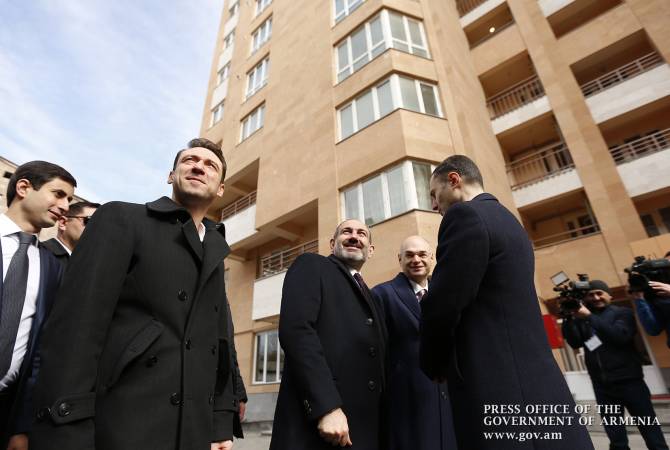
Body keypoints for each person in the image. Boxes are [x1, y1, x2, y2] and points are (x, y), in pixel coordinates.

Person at [32, 139, 238, 450]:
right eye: (190, 160)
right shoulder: (122, 219)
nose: (199, 166)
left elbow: (219, 340)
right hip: (123, 424)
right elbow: (75, 328)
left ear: (220, 189)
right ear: (171, 176)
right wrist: (66, 428)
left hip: (193, 430)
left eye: (211, 165)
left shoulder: (216, 250)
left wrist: (220, 422)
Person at [420, 155, 593, 450]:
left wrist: (433, 362)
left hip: (498, 384)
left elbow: (444, 303)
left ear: (453, 180)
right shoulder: (509, 221)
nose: (434, 206)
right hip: (533, 383)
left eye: (434, 195)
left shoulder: (465, 217)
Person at [270, 219, 387, 450]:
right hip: (319, 427)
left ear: (370, 250)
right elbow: (298, 332)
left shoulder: (372, 298)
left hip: (363, 430)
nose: (354, 236)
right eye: (347, 232)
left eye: (362, 234)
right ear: (332, 243)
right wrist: (326, 407)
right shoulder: (312, 265)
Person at [0, 161, 76, 450]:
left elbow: (40, 351)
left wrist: (21, 426)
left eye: (69, 199)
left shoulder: (51, 267)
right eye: (58, 194)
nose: (65, 205)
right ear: (23, 187)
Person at [371, 236, 457, 450]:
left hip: (448, 398)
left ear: (431, 258)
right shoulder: (382, 294)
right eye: (409, 255)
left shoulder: (445, 293)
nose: (416, 259)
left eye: (421, 254)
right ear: (399, 259)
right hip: (405, 400)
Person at [562, 280, 668, 450]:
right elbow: (575, 342)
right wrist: (568, 318)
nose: (596, 298)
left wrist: (589, 316)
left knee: (650, 429)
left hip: (630, 382)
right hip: (602, 386)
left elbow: (620, 336)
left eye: (599, 293)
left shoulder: (623, 313)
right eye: (591, 295)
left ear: (609, 295)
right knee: (616, 437)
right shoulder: (583, 318)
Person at [41, 201, 100, 268]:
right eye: (90, 221)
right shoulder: (40, 253)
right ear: (63, 223)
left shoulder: (89, 266)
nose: (96, 229)